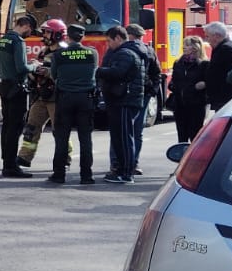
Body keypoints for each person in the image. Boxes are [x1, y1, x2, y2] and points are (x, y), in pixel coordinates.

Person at [47, 22, 98, 184]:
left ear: (67, 36)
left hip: (65, 98)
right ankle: (86, 175)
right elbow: (94, 73)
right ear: (82, 37)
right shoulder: (92, 53)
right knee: (85, 138)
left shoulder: (59, 55)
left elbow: (54, 75)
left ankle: (59, 174)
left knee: (62, 138)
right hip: (85, 98)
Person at [97, 25, 144, 183]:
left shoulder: (125, 53)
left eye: (109, 41)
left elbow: (118, 73)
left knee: (124, 138)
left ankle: (126, 173)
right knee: (120, 137)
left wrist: (98, 71)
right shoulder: (124, 52)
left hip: (125, 101)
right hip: (121, 100)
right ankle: (121, 170)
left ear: (118, 38)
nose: (108, 44)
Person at [18, 18, 65, 168]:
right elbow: (37, 75)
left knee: (59, 130)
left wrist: (48, 72)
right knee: (31, 127)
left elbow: (65, 75)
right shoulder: (44, 52)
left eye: (47, 32)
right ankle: (24, 158)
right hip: (41, 96)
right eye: (44, 32)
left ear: (57, 35)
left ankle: (64, 159)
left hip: (56, 98)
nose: (43, 35)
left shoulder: (64, 52)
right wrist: (33, 70)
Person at [0, 14, 35, 178]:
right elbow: (22, 67)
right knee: (15, 127)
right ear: (25, 25)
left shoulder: (2, 41)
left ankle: (6, 160)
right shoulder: (18, 41)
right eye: (30, 30)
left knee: (6, 126)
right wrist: (34, 66)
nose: (29, 33)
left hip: (4, 87)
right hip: (17, 89)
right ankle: (11, 166)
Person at [125, 23, 162, 175]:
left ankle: (122, 163)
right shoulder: (149, 50)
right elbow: (157, 73)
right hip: (144, 93)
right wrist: (152, 90)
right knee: (137, 130)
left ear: (130, 35)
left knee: (124, 130)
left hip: (129, 94)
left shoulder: (124, 50)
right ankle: (133, 162)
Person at [170, 35, 209, 142]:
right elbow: (173, 80)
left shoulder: (204, 64)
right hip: (180, 105)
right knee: (182, 136)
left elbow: (210, 82)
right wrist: (173, 86)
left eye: (187, 45)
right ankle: (182, 157)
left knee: (195, 135)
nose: (184, 47)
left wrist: (202, 85)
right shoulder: (178, 63)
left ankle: (193, 157)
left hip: (196, 105)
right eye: (183, 45)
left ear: (195, 47)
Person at [199, 22, 232, 111]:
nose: (207, 40)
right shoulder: (220, 48)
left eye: (208, 36)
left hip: (225, 99)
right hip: (220, 98)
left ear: (217, 36)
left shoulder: (227, 49)